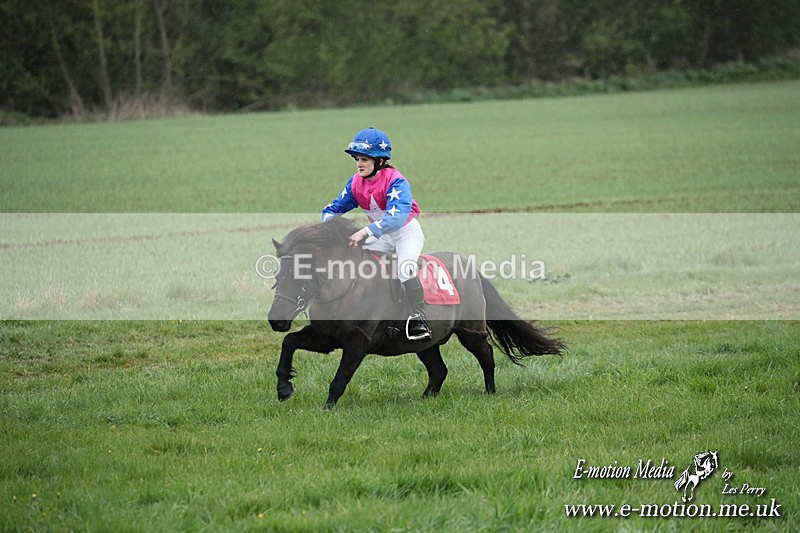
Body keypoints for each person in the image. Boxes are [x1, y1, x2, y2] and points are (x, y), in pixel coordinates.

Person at [322, 127, 431, 341]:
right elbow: (330, 210)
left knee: (405, 270)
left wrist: (365, 231)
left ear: (379, 161)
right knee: (354, 259)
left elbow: (397, 218)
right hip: (380, 236)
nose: (359, 164)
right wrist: (333, 228)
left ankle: (420, 319)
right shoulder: (355, 183)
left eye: (364, 159)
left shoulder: (396, 181)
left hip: (405, 233)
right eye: (357, 159)